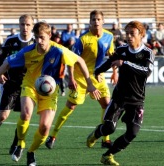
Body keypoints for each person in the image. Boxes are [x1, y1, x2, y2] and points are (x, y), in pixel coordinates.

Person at [0, 21, 101, 166]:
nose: (39, 41)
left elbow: (80, 61)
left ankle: (31, 152)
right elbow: (6, 63)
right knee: (25, 113)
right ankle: (20, 144)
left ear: (49, 35)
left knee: (44, 128)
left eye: (42, 38)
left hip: (50, 92)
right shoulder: (28, 51)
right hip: (30, 85)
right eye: (37, 37)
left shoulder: (59, 50)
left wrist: (89, 84)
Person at [45, 10, 118, 150]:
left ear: (103, 21)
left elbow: (112, 56)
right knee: (71, 107)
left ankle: (105, 140)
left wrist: (115, 72)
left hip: (98, 76)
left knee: (107, 105)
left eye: (98, 19)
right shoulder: (83, 39)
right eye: (93, 19)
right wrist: (71, 78)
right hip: (80, 78)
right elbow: (71, 60)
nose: (96, 22)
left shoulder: (109, 36)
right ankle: (53, 135)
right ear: (89, 22)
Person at [86, 21, 154, 165]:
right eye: (127, 33)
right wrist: (98, 71)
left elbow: (146, 72)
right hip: (119, 98)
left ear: (141, 35)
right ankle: (97, 134)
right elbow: (109, 62)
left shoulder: (147, 52)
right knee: (109, 127)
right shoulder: (122, 50)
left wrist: (125, 64)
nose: (128, 36)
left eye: (132, 33)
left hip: (137, 100)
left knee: (132, 133)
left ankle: (108, 155)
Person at [0, 14, 35, 155]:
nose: (25, 27)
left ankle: (15, 144)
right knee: (2, 116)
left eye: (28, 25)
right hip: (11, 84)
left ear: (32, 26)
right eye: (22, 24)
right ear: (19, 25)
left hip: (28, 85)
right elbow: (1, 59)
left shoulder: (36, 43)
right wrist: (0, 74)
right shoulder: (10, 41)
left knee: (24, 116)